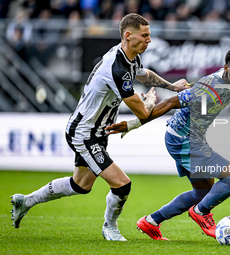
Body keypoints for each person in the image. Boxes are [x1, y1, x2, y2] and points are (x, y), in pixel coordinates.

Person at [10, 13, 187, 241]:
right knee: (122, 184)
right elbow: (143, 113)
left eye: (149, 35)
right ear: (128, 35)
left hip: (96, 131)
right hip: (85, 134)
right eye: (145, 36)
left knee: (80, 185)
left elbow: (144, 75)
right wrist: (151, 101)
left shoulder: (128, 56)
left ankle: (26, 201)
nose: (149, 40)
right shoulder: (117, 68)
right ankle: (110, 228)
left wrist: (172, 86)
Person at [105, 47, 230, 240]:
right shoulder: (207, 89)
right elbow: (168, 104)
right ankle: (201, 213)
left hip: (192, 138)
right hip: (183, 140)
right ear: (226, 67)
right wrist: (132, 124)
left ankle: (150, 222)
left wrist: (183, 85)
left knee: (203, 191)